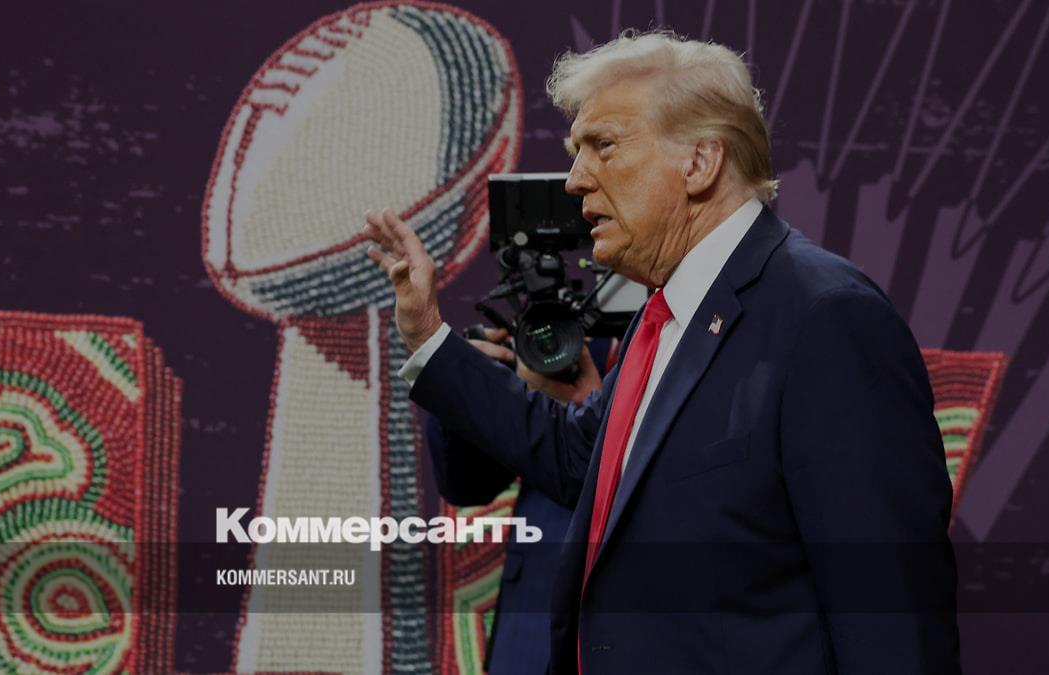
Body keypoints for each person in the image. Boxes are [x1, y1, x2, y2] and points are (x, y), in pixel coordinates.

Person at [365, 30, 959, 675]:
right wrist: (428, 335)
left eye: (604, 146)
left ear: (700, 162)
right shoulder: (672, 314)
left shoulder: (826, 317)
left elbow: (891, 615)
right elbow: (577, 457)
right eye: (576, 152)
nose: (575, 180)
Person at [426, 328, 609, 675]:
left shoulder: (698, 333)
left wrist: (596, 417)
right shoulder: (548, 329)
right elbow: (466, 485)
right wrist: (470, 380)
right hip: (531, 622)